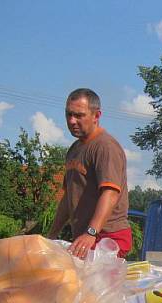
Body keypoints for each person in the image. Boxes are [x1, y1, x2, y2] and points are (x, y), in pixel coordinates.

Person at [48, 88, 131, 259]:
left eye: (79, 115)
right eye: (69, 114)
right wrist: (51, 236)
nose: (72, 121)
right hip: (85, 238)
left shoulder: (105, 147)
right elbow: (67, 199)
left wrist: (91, 232)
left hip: (108, 237)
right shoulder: (74, 150)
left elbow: (111, 193)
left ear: (96, 115)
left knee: (98, 287)